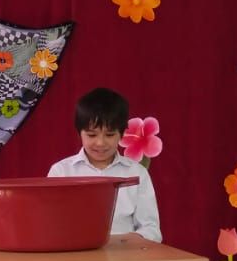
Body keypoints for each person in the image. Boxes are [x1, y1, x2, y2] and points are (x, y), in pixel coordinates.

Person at [46, 87, 162, 241]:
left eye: (109, 134)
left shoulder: (137, 173)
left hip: (126, 252)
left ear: (122, 133)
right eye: (91, 135)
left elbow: (151, 230)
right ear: (79, 133)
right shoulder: (61, 172)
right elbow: (50, 224)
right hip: (74, 252)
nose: (100, 143)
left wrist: (123, 242)